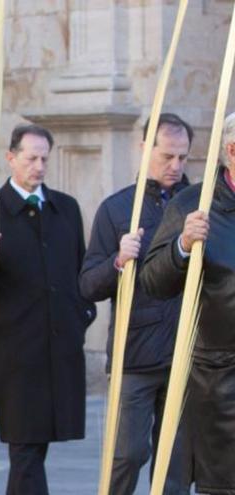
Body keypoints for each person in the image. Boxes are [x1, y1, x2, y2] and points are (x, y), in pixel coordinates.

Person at [0, 124, 96, 495]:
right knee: (25, 449)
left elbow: (80, 272)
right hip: (16, 355)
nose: (38, 166)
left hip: (60, 349)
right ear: (11, 158)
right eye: (31, 158)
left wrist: (81, 317)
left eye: (44, 158)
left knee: (36, 450)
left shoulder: (65, 208)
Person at [79, 113, 193, 494]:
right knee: (126, 454)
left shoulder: (200, 203)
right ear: (145, 150)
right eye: (167, 157)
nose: (176, 166)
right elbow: (87, 284)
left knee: (175, 461)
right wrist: (117, 260)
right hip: (136, 354)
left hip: (185, 352)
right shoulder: (116, 208)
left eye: (183, 157)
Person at [140, 111, 235, 495]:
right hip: (221, 385)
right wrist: (182, 244)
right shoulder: (193, 205)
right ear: (232, 149)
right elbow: (152, 281)